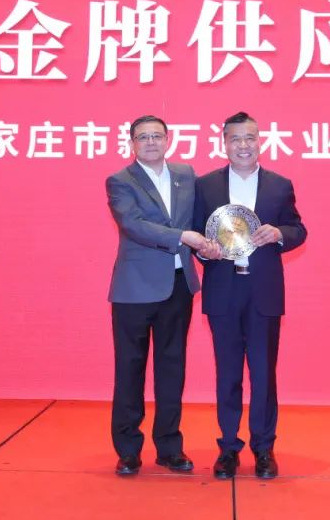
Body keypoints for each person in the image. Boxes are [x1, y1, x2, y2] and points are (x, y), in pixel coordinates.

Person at [194, 111, 307, 480]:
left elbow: (298, 229)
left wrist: (279, 233)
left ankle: (263, 447)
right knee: (227, 374)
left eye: (250, 138)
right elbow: (195, 234)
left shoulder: (280, 185)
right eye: (235, 139)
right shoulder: (205, 185)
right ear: (224, 143)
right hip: (223, 291)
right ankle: (228, 447)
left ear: (260, 141)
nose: (243, 145)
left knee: (263, 374)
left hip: (263, 292)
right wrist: (204, 251)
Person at [106, 115, 211, 476]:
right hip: (134, 289)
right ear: (131, 143)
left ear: (168, 140)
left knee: (172, 368)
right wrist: (182, 237)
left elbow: (199, 221)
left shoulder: (186, 174)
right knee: (130, 369)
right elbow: (133, 225)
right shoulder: (120, 181)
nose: (150, 142)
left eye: (156, 136)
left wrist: (212, 244)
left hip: (179, 286)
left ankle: (169, 447)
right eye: (143, 137)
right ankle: (128, 450)